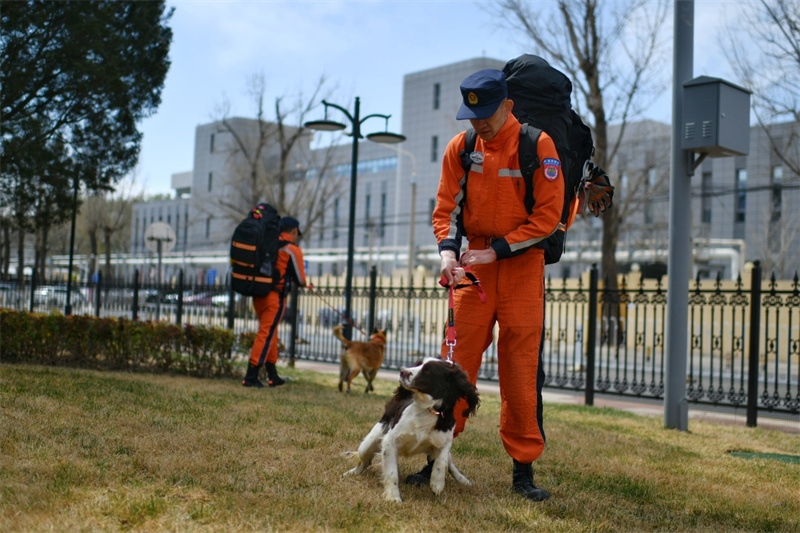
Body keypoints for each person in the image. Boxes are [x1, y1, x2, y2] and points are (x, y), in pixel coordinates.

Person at [409, 69, 564, 501]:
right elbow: (446, 208)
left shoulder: (539, 146)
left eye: (487, 115)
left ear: (508, 107)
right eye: (472, 115)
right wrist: (447, 252)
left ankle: (523, 472)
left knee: (520, 370)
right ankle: (432, 459)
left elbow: (548, 217)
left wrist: (499, 249)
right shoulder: (461, 148)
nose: (479, 123)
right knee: (453, 367)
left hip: (520, 266)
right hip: (472, 267)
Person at [242, 216, 307, 388]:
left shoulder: (267, 244)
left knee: (271, 332)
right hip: (275, 297)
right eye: (296, 234)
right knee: (266, 334)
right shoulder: (292, 249)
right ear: (293, 231)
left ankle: (272, 374)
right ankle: (251, 375)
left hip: (259, 295)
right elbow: (301, 279)